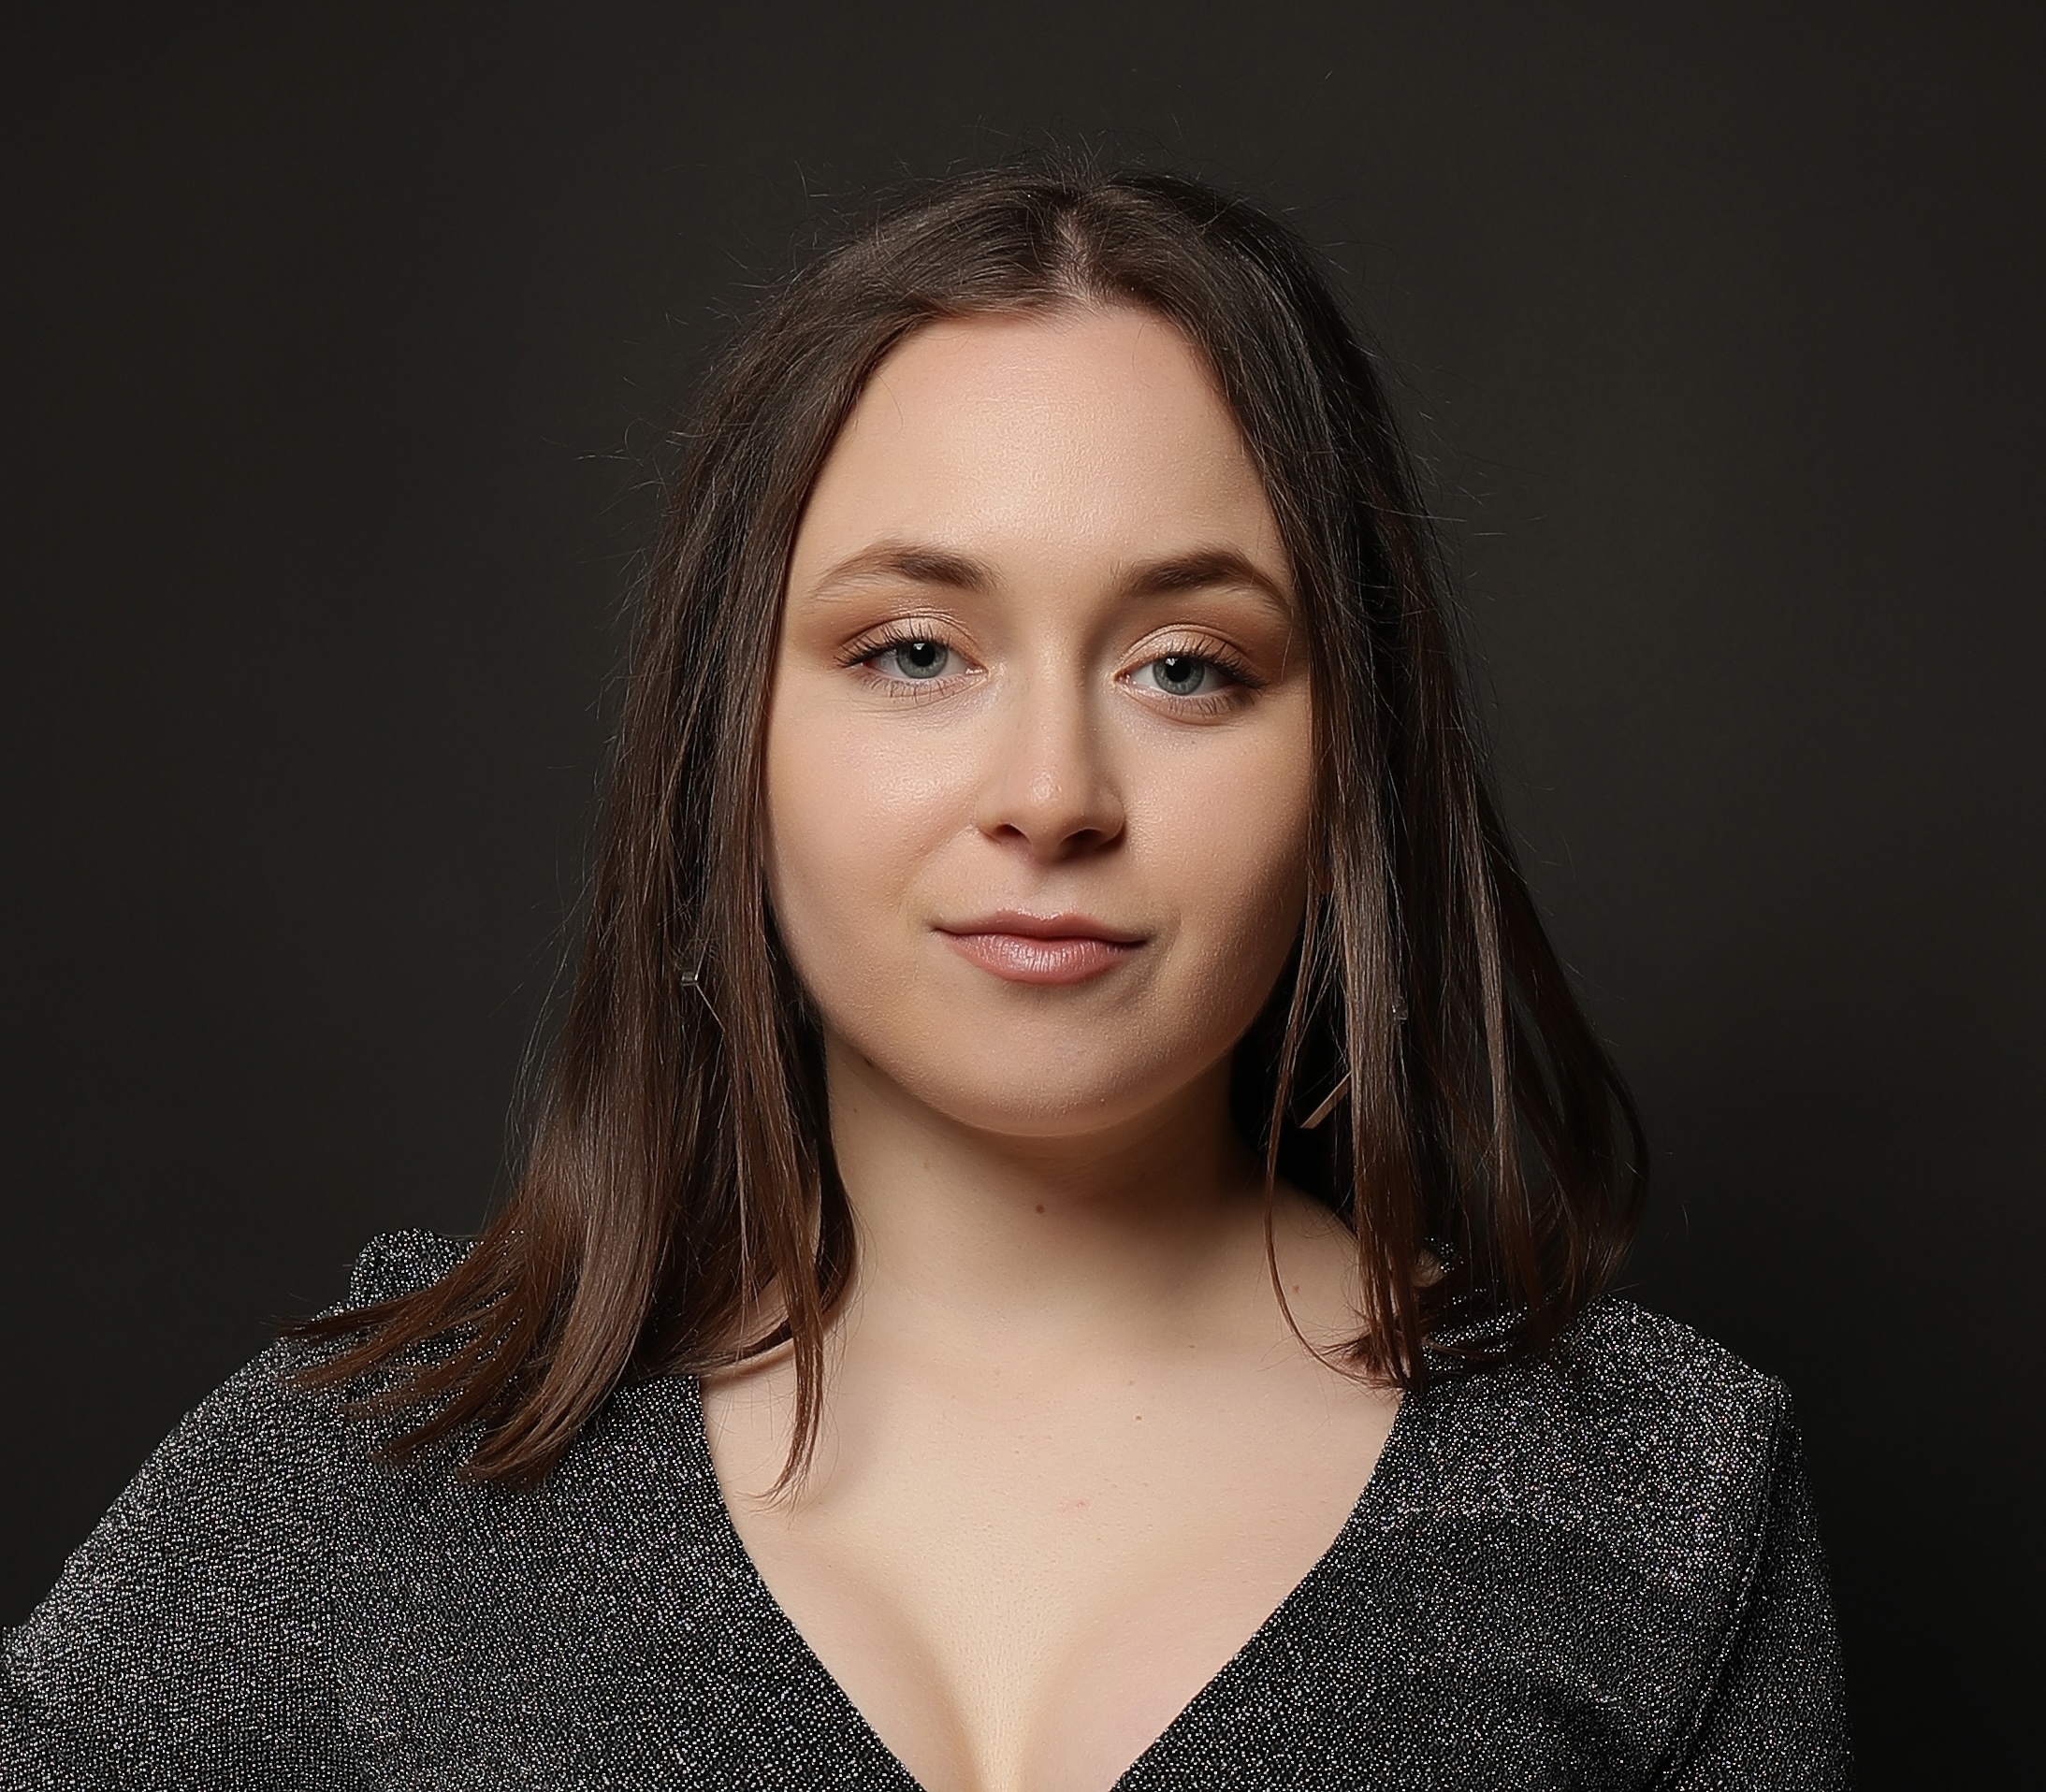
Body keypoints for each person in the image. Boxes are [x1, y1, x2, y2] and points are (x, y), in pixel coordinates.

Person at [0, 164, 1851, 1791]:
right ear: (732, 737)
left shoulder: (1660, 1504)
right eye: (911, 652)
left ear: (1348, 761)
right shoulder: (372, 1470)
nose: (1049, 793)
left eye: (1186, 666)